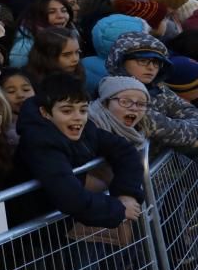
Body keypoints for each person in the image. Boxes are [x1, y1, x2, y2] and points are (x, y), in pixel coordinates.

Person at [15, 73, 144, 228]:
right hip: (30, 230)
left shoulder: (87, 129)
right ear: (46, 113)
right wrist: (118, 209)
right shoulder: (40, 142)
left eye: (83, 110)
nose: (78, 118)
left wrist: (126, 194)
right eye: (67, 111)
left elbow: (124, 149)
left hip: (57, 224)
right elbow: (69, 197)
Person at [105, 32, 198, 151]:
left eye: (156, 62)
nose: (151, 67)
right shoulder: (116, 94)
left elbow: (189, 111)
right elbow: (169, 130)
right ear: (121, 60)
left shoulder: (157, 87)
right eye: (143, 60)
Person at [8, 0, 76, 68]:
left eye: (64, 11)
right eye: (52, 12)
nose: (60, 16)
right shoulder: (25, 46)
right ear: (39, 16)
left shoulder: (72, 32)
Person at [88, 76, 152, 149]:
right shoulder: (87, 128)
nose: (134, 108)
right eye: (124, 101)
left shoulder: (142, 130)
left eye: (141, 104)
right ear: (105, 103)